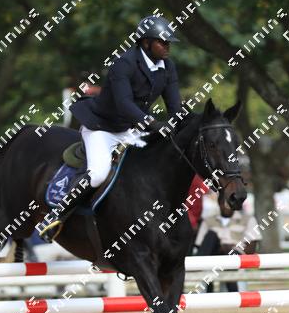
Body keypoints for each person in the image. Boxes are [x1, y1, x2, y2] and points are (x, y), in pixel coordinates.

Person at [38, 15, 182, 241]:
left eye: (168, 43)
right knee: (98, 174)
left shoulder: (168, 66)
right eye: (162, 42)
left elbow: (174, 105)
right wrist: (154, 124)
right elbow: (124, 104)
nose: (167, 47)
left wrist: (178, 124)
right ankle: (56, 216)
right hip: (102, 128)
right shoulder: (123, 63)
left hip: (133, 129)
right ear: (146, 42)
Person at [194, 191, 261, 292]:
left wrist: (231, 247)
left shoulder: (248, 219)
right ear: (218, 203)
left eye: (229, 204)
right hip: (213, 254)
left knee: (231, 255)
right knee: (211, 235)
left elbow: (251, 249)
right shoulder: (208, 220)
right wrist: (221, 247)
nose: (226, 207)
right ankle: (199, 269)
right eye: (223, 203)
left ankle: (231, 291)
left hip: (235, 254)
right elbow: (200, 246)